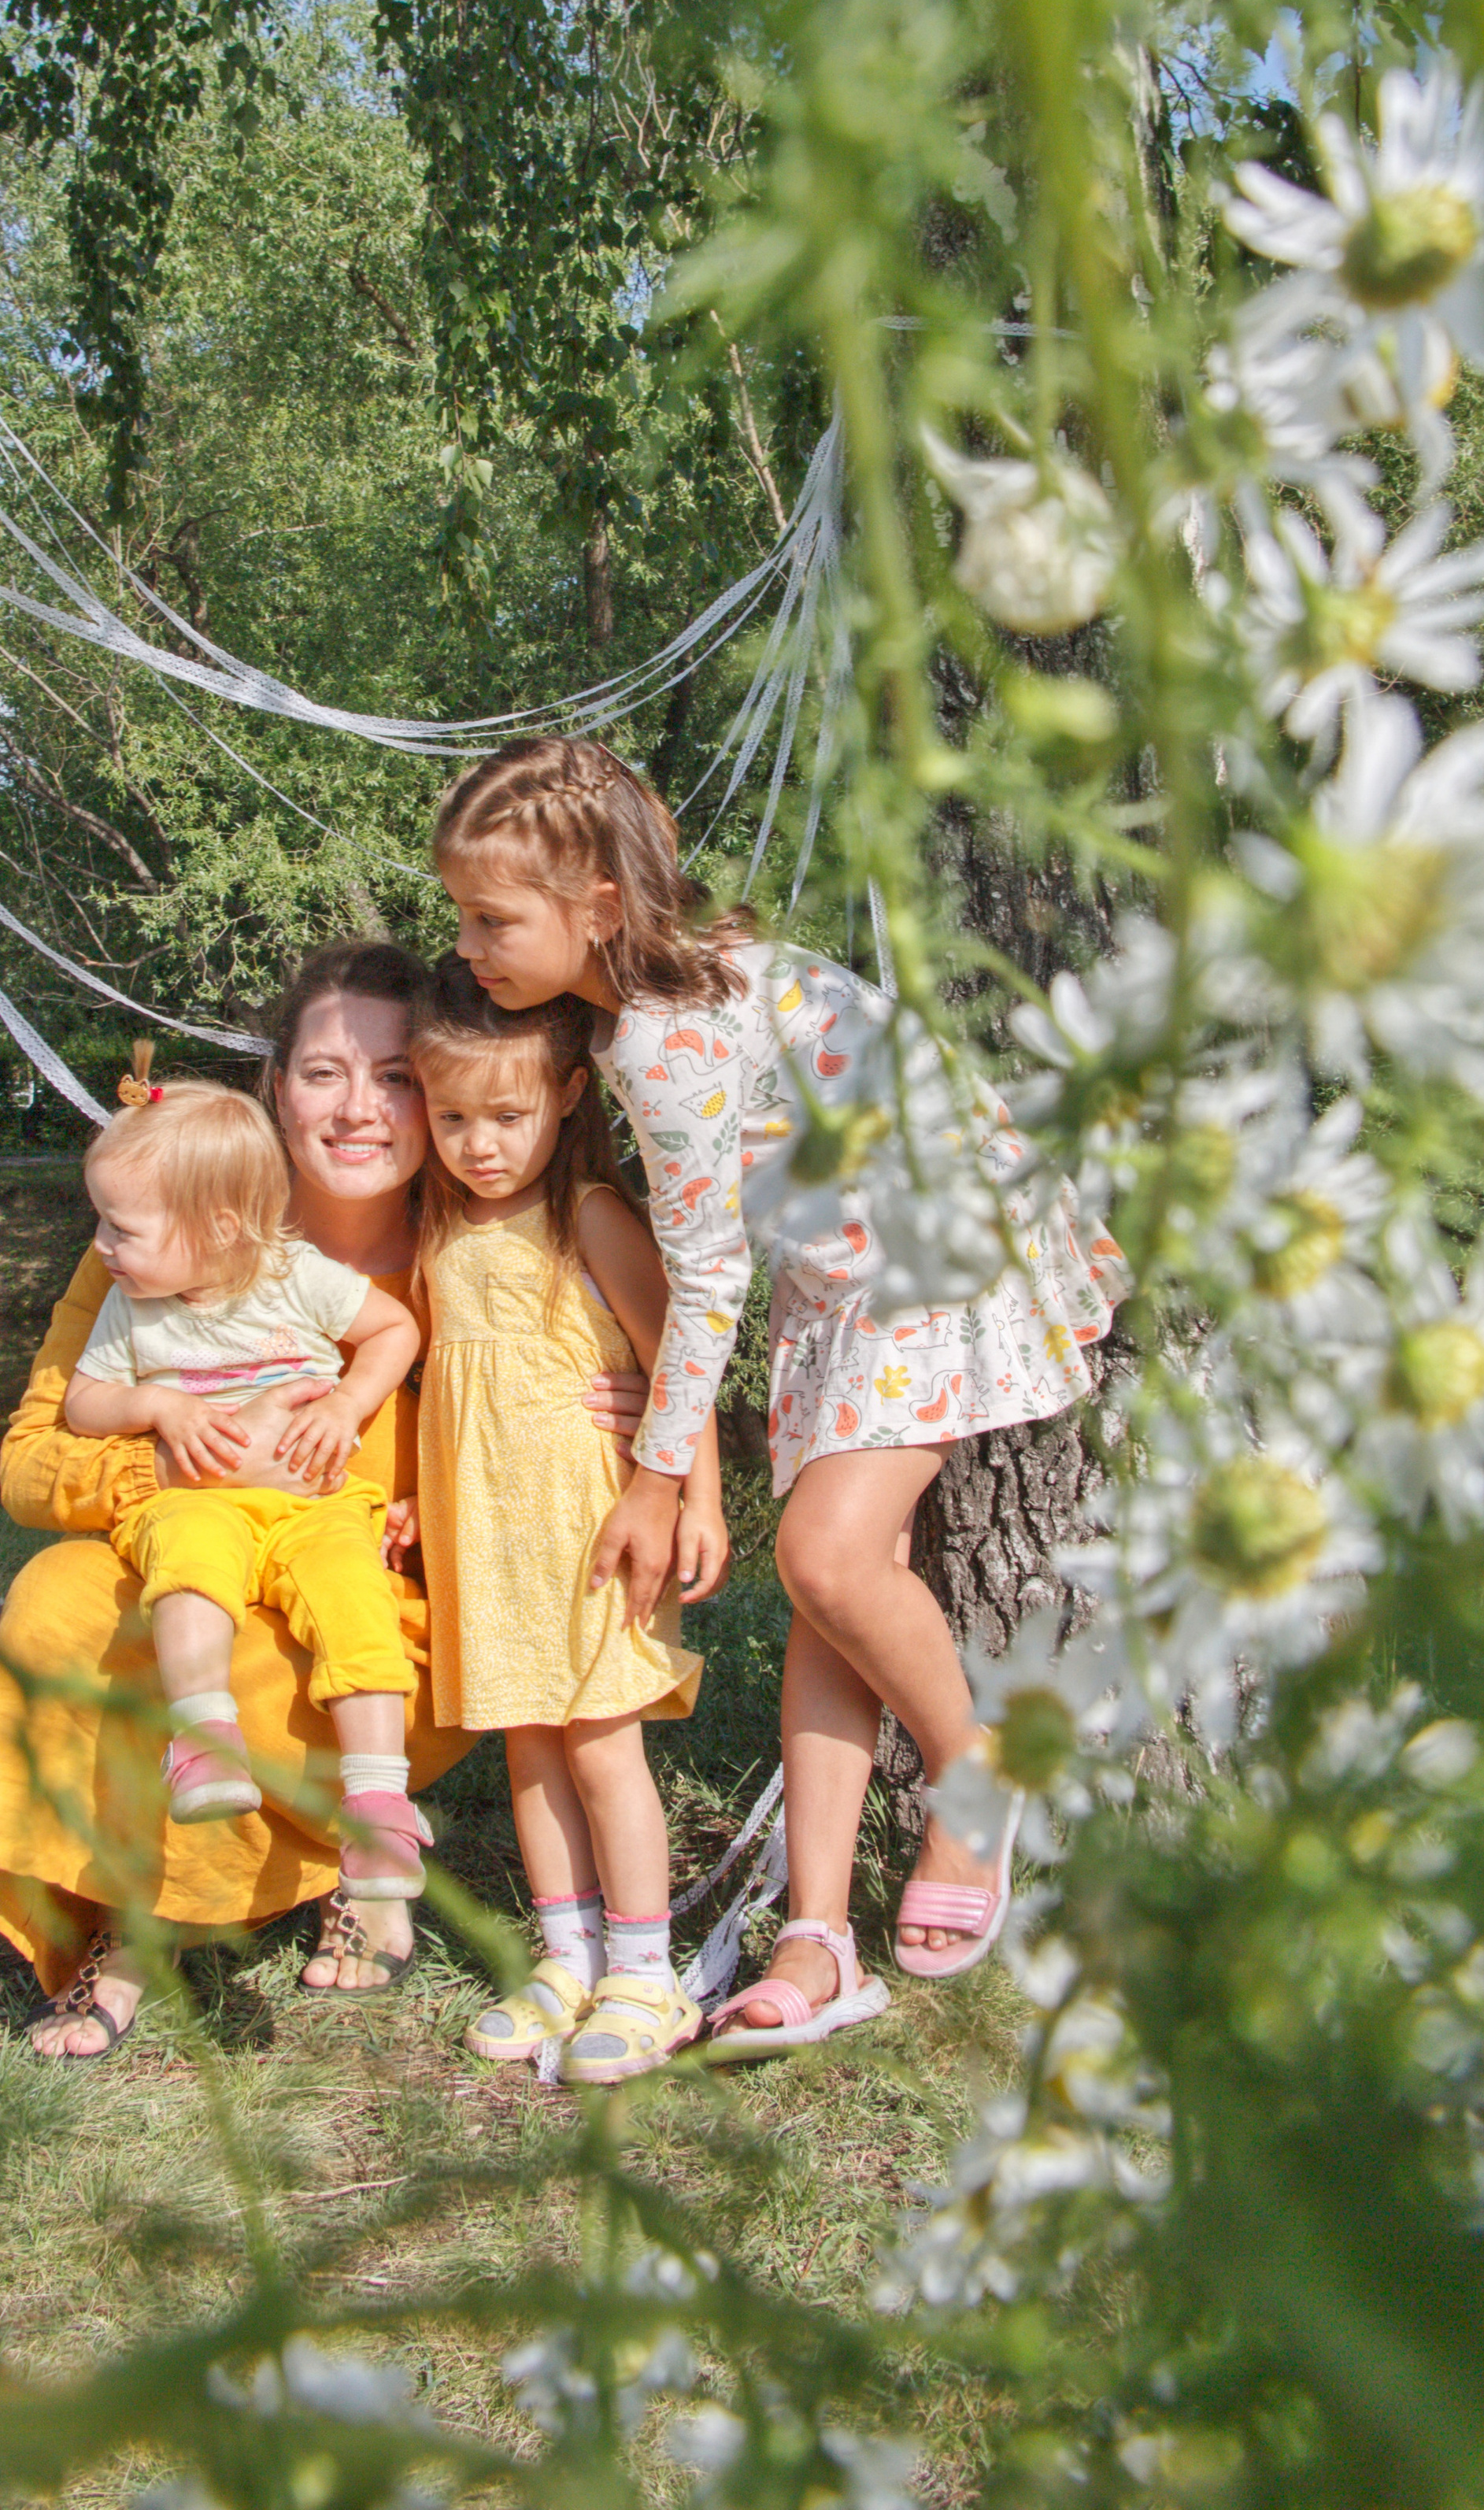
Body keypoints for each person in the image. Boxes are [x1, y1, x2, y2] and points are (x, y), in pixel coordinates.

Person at [432, 738, 1128, 2049]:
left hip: (931, 1254)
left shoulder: (663, 1034)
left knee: (823, 1554)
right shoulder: (656, 986)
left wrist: (656, 1470)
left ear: (593, 908)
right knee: (829, 1594)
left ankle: (974, 1779)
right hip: (848, 1280)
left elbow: (704, 1275)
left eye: (490, 916)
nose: (466, 942)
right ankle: (820, 1938)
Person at [0, 939, 648, 2052]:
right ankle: (127, 1913)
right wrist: (177, 1458)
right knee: (60, 1599)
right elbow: (31, 1461)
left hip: (375, 1590)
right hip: (195, 1551)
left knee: (291, 1646)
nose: (360, 1108)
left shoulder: (477, 1257)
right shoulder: (160, 1243)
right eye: (324, 1073)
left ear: (441, 1090)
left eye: (397, 1077)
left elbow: (602, 1382)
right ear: (278, 1089)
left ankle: (325, 1870)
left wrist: (632, 1413)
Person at [405, 961, 728, 2084]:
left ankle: (647, 1974)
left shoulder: (587, 1215)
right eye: (452, 1117)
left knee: (599, 1741)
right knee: (528, 1742)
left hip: (589, 1529)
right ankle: (565, 1953)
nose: (479, 1143)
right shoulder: (437, 1224)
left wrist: (699, 1497)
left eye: (507, 1116)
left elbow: (680, 1356)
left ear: (567, 1098)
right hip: (484, 1536)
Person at [61, 1074, 427, 1898]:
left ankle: (379, 1804)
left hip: (314, 1503)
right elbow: (81, 1405)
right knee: (186, 1563)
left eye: (121, 1228)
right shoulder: (131, 1308)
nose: (100, 1246)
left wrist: (345, 1405)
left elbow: (393, 1329)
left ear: (220, 1228)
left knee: (353, 1599)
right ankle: (203, 1738)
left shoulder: (296, 1275)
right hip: (198, 1499)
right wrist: (156, 1404)